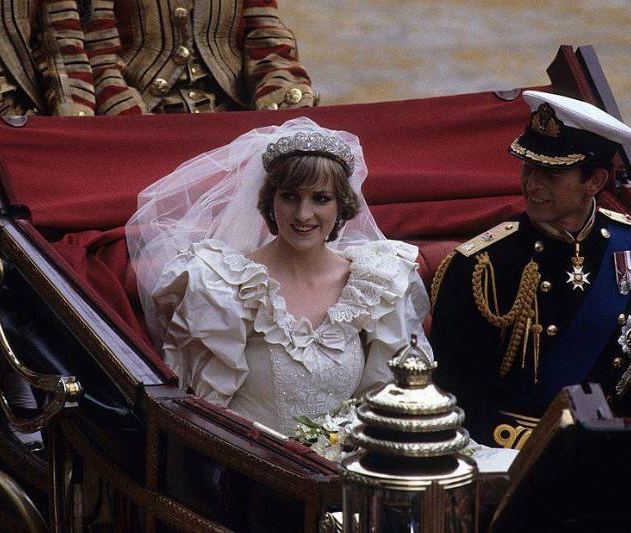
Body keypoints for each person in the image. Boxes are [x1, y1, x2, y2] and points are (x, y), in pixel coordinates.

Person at [430, 91, 631, 449]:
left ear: (594, 181)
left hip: (612, 443)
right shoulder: (481, 265)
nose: (532, 184)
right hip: (514, 454)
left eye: (550, 173)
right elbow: (456, 396)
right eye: (528, 167)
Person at [126, 117, 432, 436]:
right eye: (290, 196)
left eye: (320, 198)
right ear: (270, 200)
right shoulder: (222, 284)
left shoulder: (376, 282)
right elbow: (200, 414)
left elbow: (390, 399)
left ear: (341, 205)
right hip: (245, 459)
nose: (303, 214)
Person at [110, 0, 316, 114]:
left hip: (231, 120)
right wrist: (131, 122)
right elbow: (100, 59)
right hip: (141, 122)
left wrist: (288, 106)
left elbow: (266, 41)